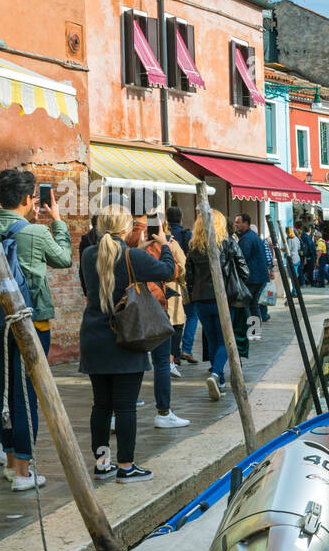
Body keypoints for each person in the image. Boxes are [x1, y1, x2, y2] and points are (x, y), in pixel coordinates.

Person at [0, 169, 73, 491]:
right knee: (26, 395)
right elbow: (63, 259)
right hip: (30, 322)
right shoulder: (34, 232)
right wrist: (57, 221)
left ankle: (8, 461)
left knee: (4, 390)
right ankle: (23, 471)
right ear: (28, 199)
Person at [79, 204, 174, 483]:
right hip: (126, 336)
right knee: (125, 407)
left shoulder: (87, 254)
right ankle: (126, 466)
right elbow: (167, 271)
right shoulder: (132, 257)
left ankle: (103, 465)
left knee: (101, 406)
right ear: (127, 228)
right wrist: (164, 243)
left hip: (94, 337)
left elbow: (88, 288)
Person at [129, 214, 190, 426]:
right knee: (162, 362)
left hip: (130, 309)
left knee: (134, 361)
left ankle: (121, 410)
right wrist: (165, 244)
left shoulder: (127, 238)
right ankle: (163, 413)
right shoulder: (156, 244)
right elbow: (171, 272)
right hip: (154, 304)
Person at [187, 209, 247, 400]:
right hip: (222, 298)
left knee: (212, 340)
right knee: (225, 341)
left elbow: (189, 276)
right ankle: (215, 373)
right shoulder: (227, 243)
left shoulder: (194, 246)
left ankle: (220, 380)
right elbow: (244, 269)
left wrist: (193, 294)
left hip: (200, 300)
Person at [233, 213, 270, 337]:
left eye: (238, 222)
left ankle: (250, 331)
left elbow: (242, 258)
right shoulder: (251, 236)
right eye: (235, 222)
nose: (236, 225)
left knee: (247, 305)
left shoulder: (247, 239)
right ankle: (254, 332)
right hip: (258, 277)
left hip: (252, 278)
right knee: (253, 304)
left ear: (246, 223)